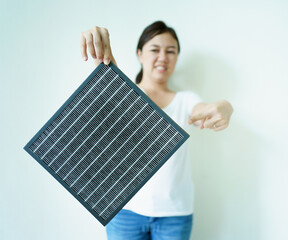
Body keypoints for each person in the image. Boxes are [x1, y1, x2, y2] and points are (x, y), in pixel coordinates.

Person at [80, 21, 233, 240]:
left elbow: (205, 109)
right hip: (125, 211)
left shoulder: (185, 100)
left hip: (175, 213)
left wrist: (225, 106)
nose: (163, 57)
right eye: (155, 49)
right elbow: (107, 78)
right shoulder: (124, 94)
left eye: (171, 51)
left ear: (177, 58)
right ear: (139, 54)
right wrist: (99, 43)